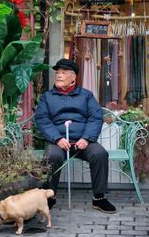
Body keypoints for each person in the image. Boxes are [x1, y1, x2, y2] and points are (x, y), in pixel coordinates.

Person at [35, 58, 116, 214]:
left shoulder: (86, 95)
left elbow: (96, 116)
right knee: (51, 156)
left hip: (82, 141)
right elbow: (42, 119)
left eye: (63, 73)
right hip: (58, 141)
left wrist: (86, 138)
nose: (58, 75)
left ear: (73, 77)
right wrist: (57, 139)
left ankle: (99, 198)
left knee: (99, 154)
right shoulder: (47, 97)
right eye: (57, 73)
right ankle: (49, 197)